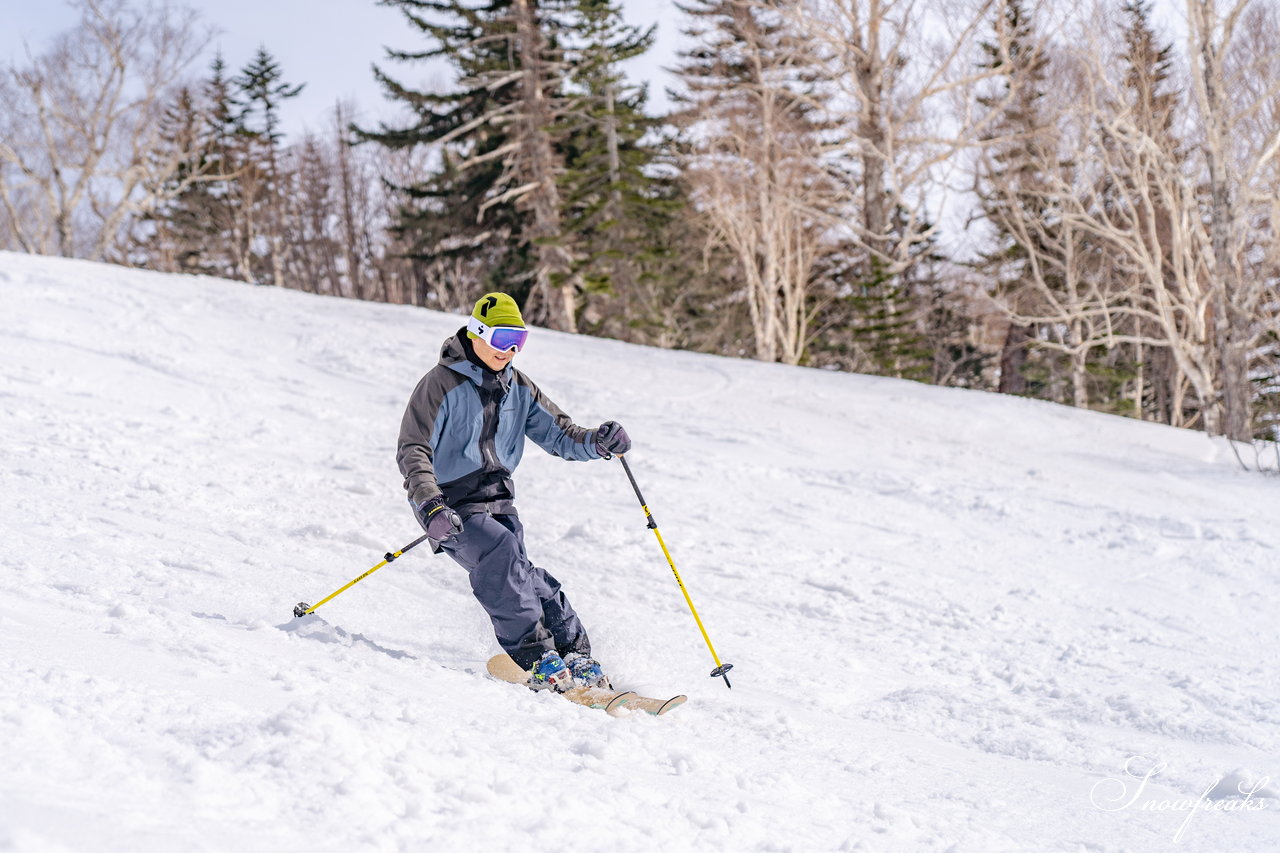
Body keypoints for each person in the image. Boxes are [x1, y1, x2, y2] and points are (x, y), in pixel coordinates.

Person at [396, 292, 631, 693]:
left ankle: (575, 654)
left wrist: (598, 442)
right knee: (500, 556)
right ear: (478, 333)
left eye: (519, 341)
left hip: (498, 500)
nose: (510, 350)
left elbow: (560, 434)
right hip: (448, 505)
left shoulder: (518, 387)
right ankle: (539, 659)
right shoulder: (439, 385)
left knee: (526, 577)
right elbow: (413, 449)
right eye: (504, 339)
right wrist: (429, 503)